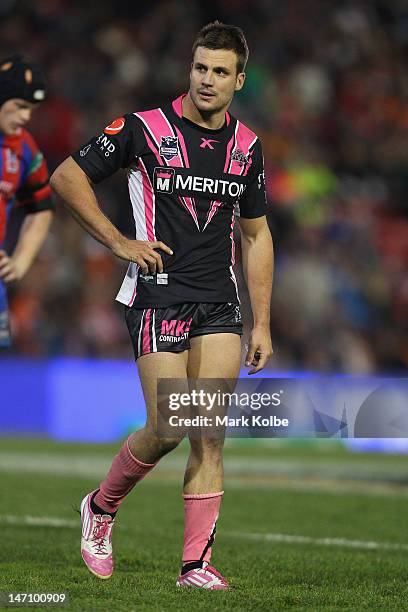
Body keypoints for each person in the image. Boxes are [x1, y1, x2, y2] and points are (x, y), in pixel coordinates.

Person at [50, 21, 273, 589]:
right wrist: (120, 242)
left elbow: (256, 235)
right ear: (190, 69)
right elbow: (67, 176)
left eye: (220, 72)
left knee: (209, 431)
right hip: (158, 295)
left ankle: (194, 565)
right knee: (170, 426)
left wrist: (263, 322)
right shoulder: (143, 128)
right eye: (200, 67)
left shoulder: (247, 147)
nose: (207, 79)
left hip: (219, 302)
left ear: (239, 80)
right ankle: (100, 508)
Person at [0, 54, 54, 348]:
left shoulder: (24, 148)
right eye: (20, 107)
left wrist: (20, 263)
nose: (25, 117)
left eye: (31, 109)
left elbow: (41, 208)